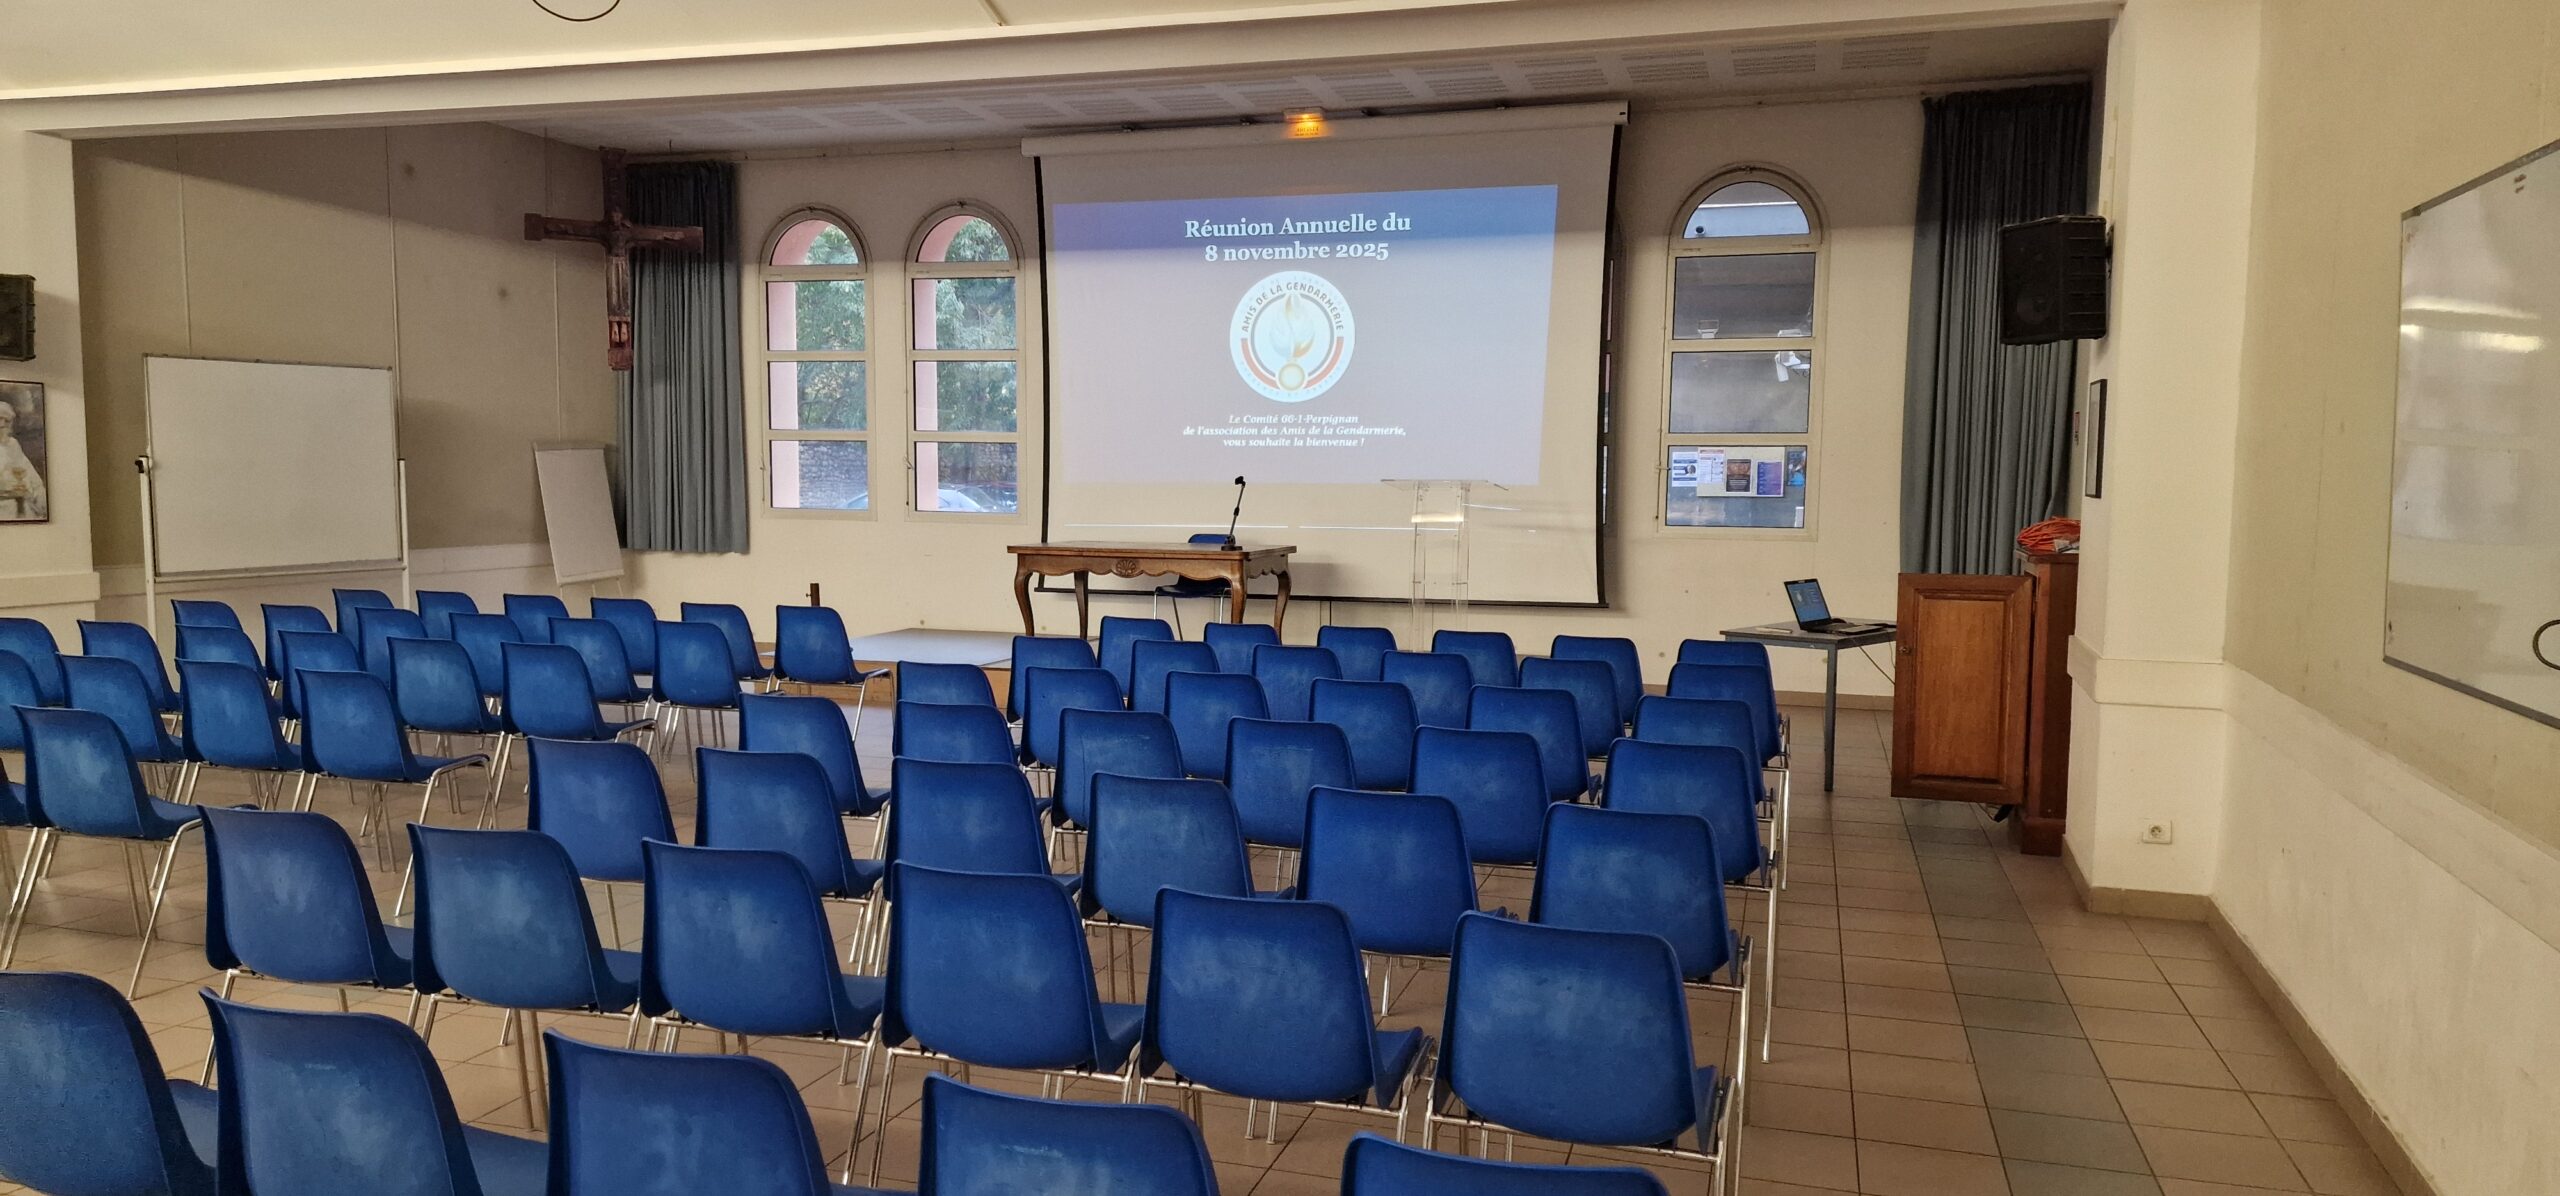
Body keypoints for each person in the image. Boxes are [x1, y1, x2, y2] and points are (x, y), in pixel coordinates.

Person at [0, 397, 45, 521]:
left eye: (7, 420)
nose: (2, 424)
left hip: (20, 504)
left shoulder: (13, 444)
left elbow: (30, 476)